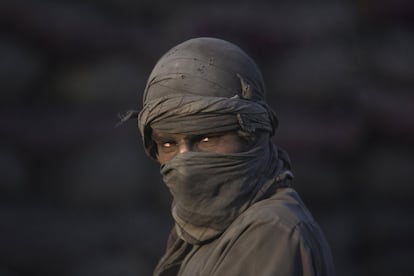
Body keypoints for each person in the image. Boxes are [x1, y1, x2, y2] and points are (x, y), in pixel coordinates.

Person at [134, 37, 335, 275]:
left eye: (206, 140)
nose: (185, 162)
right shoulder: (200, 235)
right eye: (169, 144)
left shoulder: (270, 232)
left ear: (251, 138)